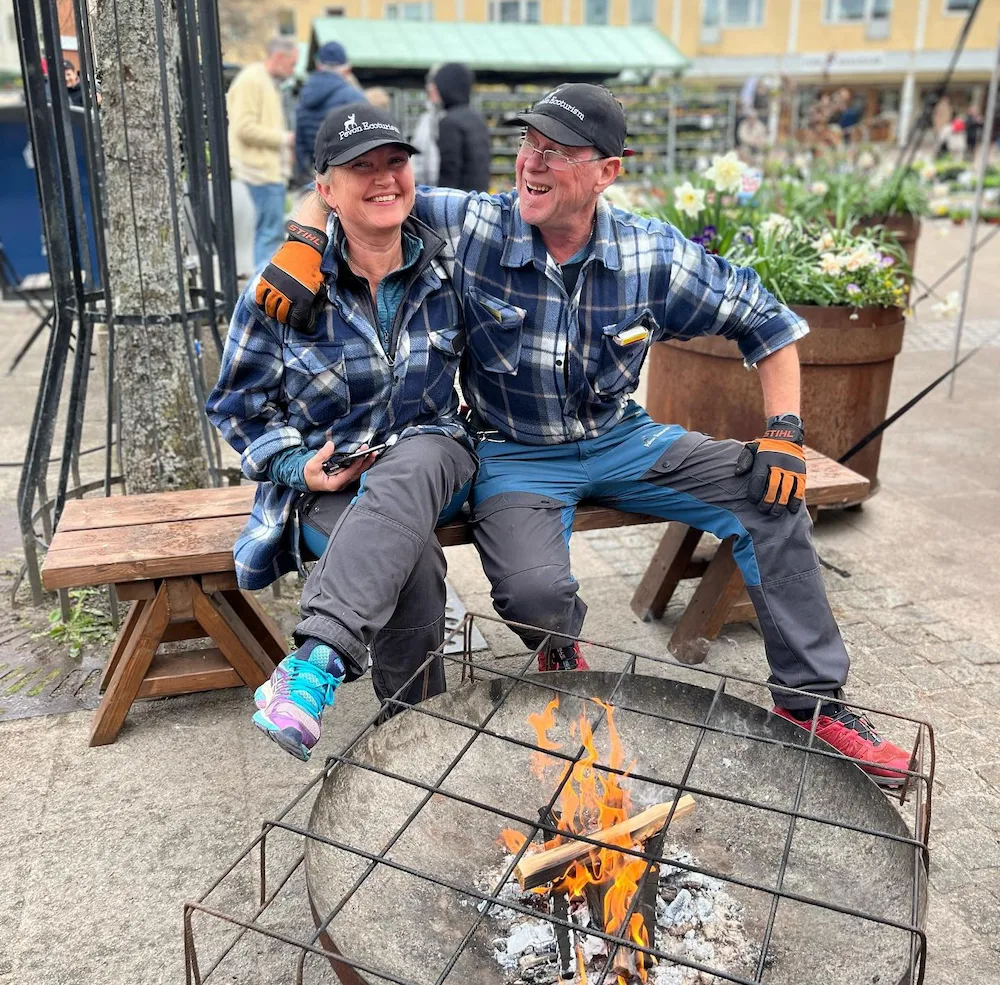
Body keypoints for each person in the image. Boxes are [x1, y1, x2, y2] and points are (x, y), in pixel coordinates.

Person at [253, 83, 911, 786]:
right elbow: (366, 188)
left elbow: (767, 320)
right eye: (528, 144)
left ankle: (812, 704)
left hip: (621, 439)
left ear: (607, 172)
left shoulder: (651, 253)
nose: (532, 163)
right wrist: (303, 238)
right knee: (534, 593)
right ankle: (557, 649)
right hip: (514, 451)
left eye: (558, 151)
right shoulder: (476, 226)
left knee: (770, 494)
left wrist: (783, 429)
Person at [206, 103, 476, 761]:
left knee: (422, 453)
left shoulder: (449, 266)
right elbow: (237, 405)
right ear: (326, 190)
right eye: (362, 168)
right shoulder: (286, 287)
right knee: (413, 562)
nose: (384, 178)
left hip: (436, 458)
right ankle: (415, 735)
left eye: (395, 162)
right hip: (332, 484)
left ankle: (316, 660)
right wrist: (297, 467)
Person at [226, 37, 298, 269]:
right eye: (292, 64)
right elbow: (244, 128)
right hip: (259, 172)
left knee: (269, 233)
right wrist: (285, 139)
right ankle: (263, 285)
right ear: (279, 57)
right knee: (269, 234)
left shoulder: (263, 81)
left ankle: (262, 283)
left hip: (265, 171)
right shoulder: (252, 81)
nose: (293, 70)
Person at [294, 41, 366, 180]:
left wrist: (304, 175)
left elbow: (299, 141)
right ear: (346, 69)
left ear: (318, 65)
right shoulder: (354, 97)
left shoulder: (304, 95)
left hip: (315, 175)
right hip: (347, 176)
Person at [432, 62, 492, 192]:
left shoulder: (449, 122)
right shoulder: (478, 119)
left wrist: (441, 198)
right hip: (480, 194)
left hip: (459, 197)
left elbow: (449, 168)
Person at [410, 65, 444, 187]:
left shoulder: (449, 118)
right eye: (430, 84)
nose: (430, 88)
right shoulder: (425, 118)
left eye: (435, 85)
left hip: (443, 187)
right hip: (424, 187)